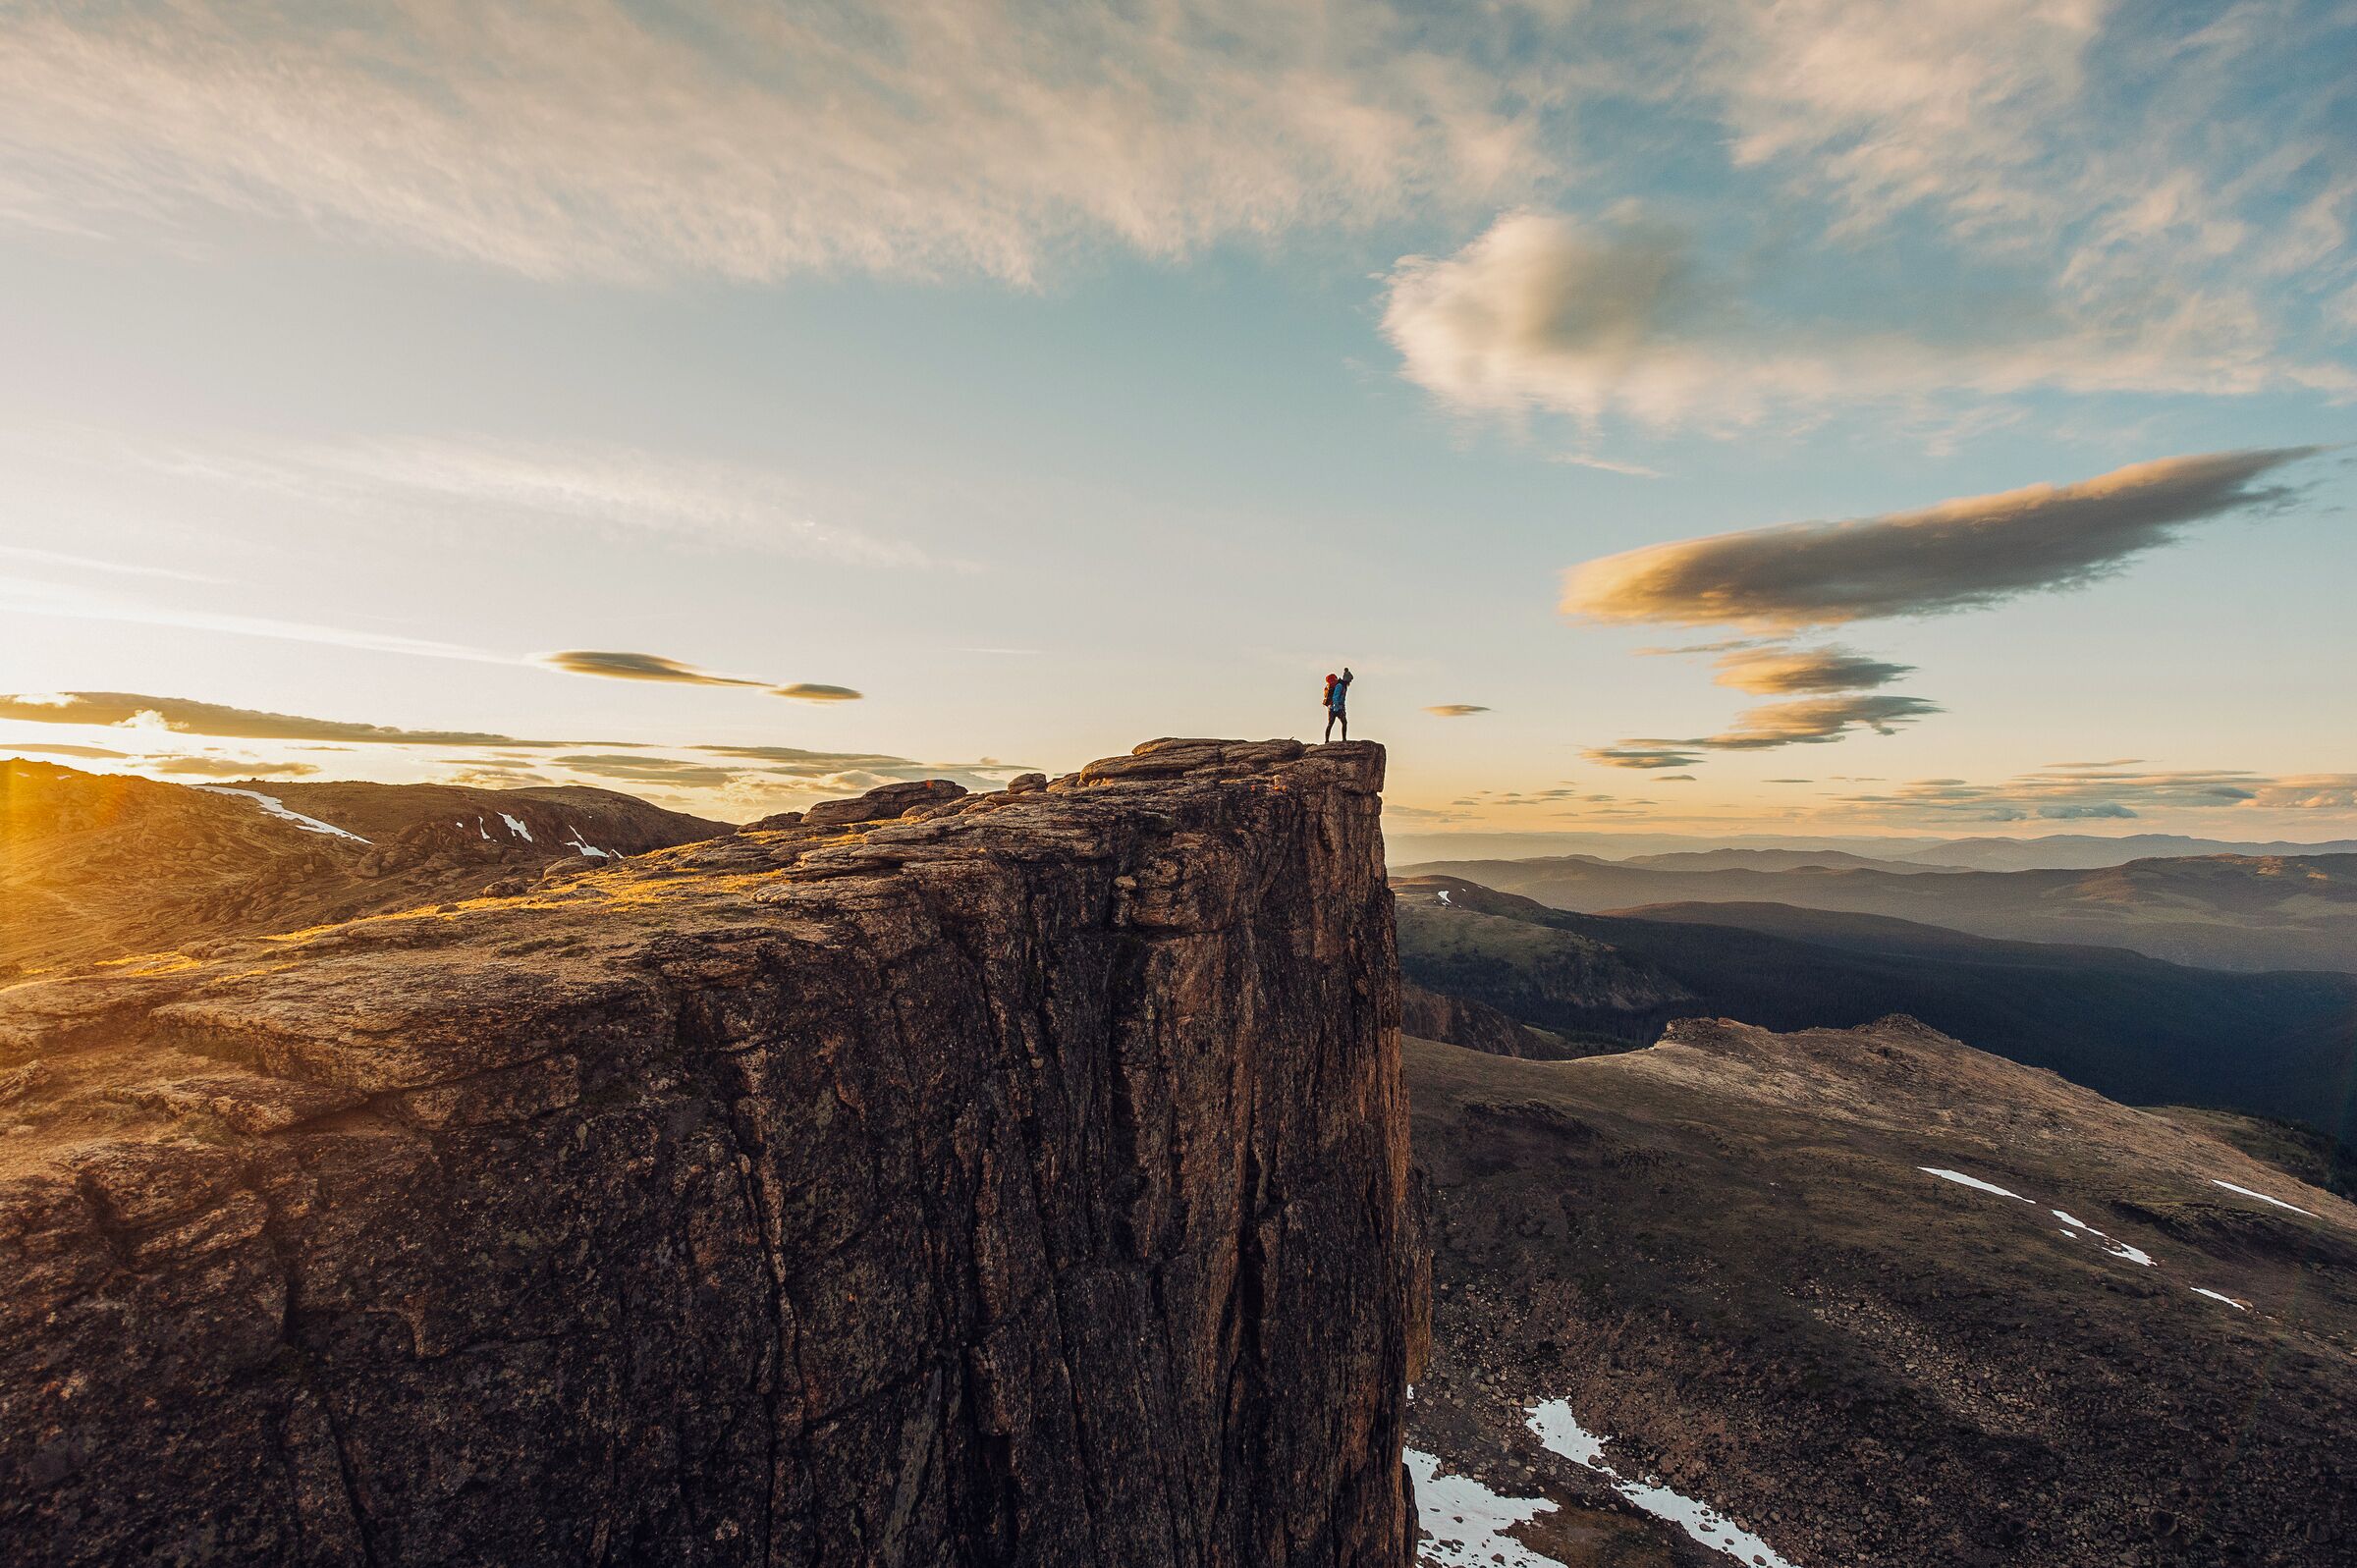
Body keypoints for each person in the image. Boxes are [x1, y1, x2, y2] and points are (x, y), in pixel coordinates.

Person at [1323, 665, 1353, 741]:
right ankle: (1331, 740)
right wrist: (1336, 707)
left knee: (1335, 723)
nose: (1350, 681)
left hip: (1336, 707)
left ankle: (1332, 740)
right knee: (1337, 723)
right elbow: (1335, 697)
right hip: (1335, 708)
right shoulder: (1340, 685)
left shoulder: (1343, 685)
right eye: (1350, 680)